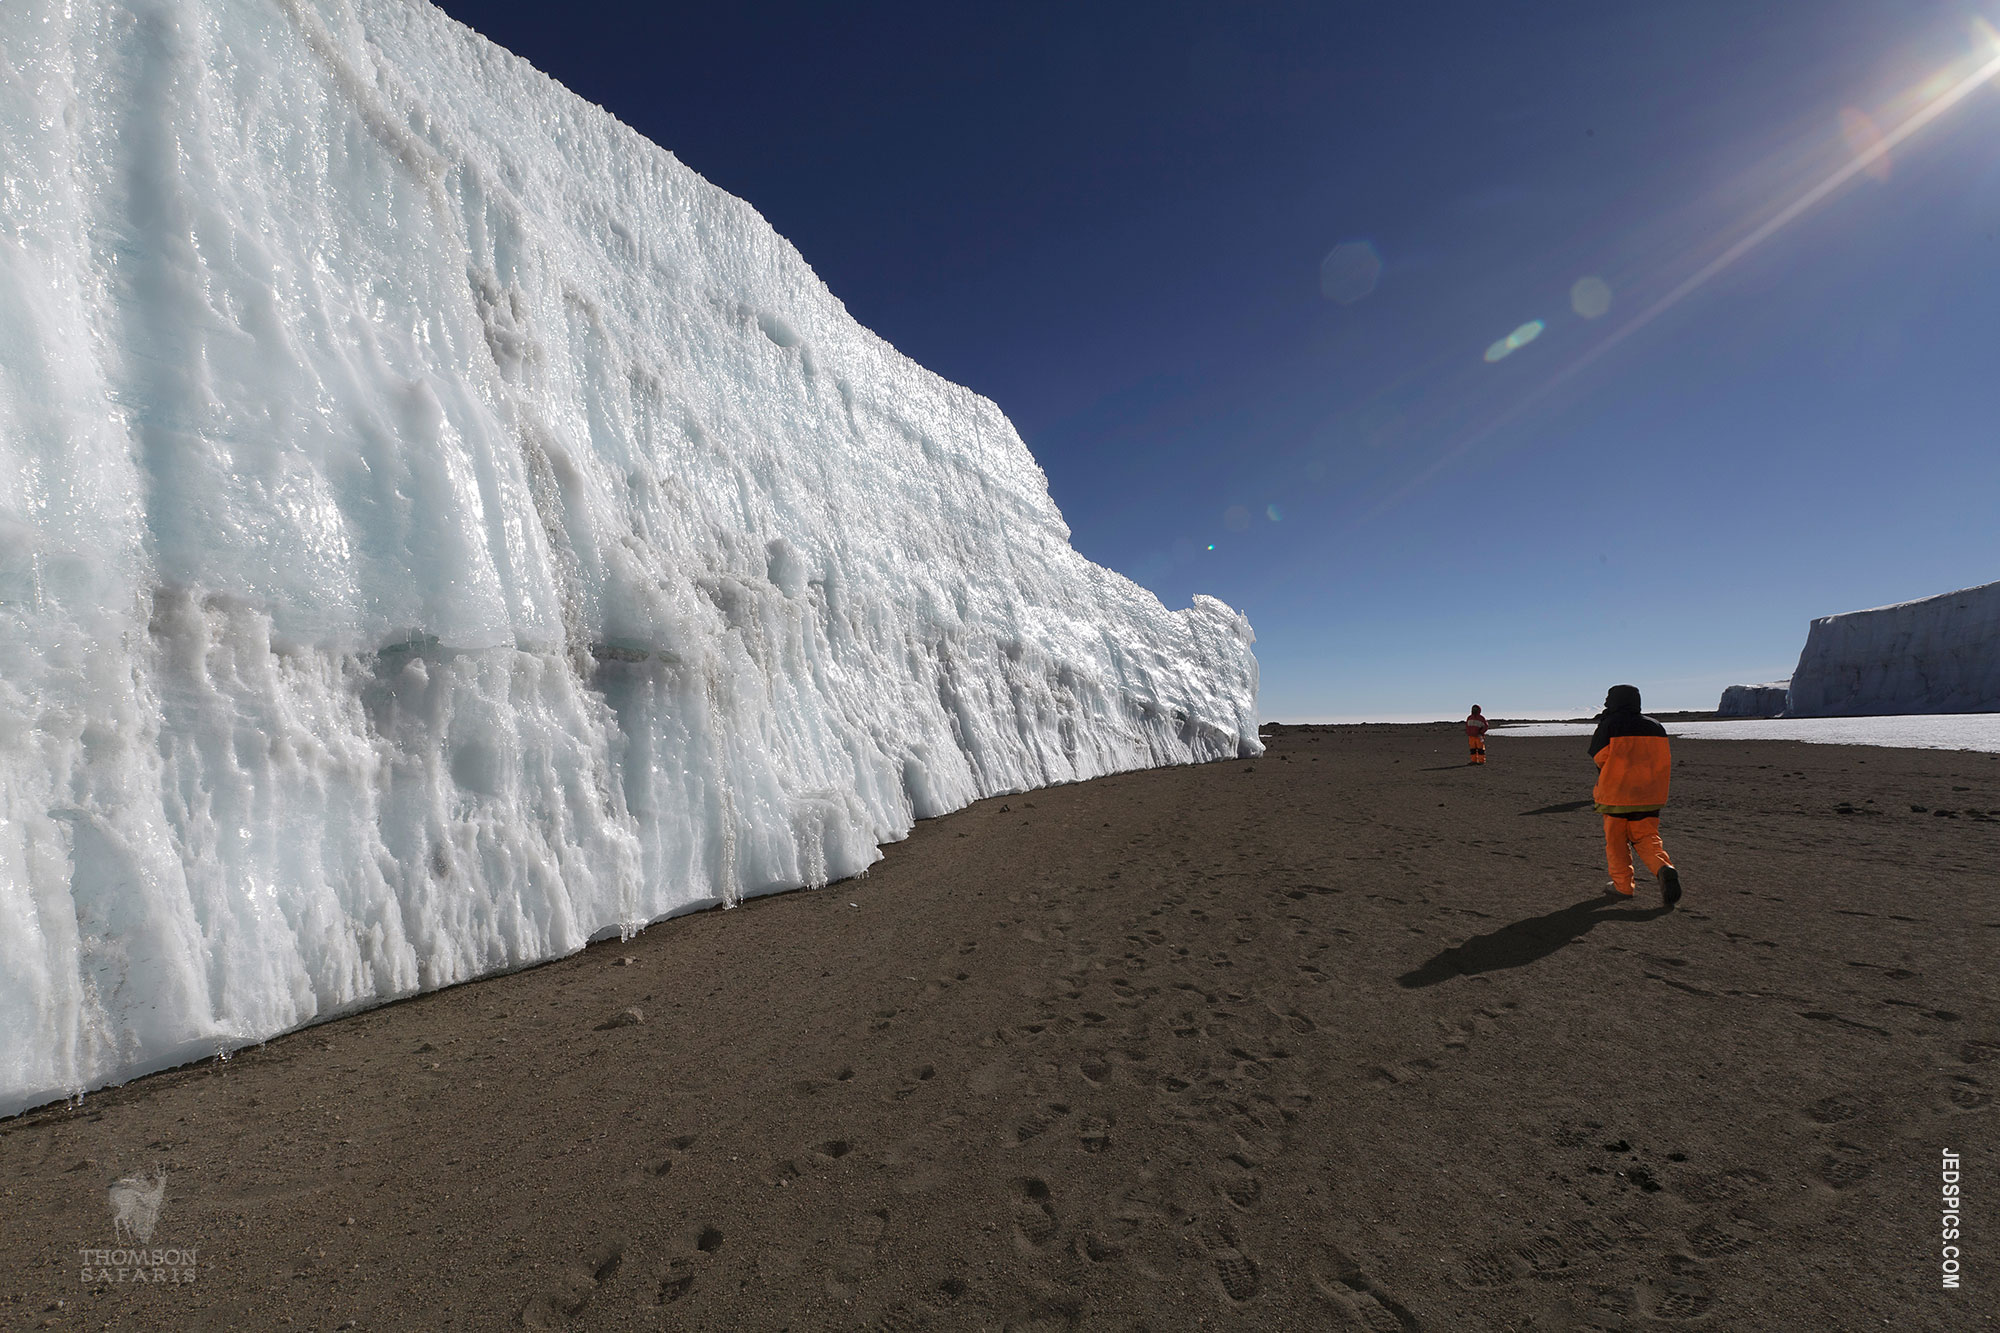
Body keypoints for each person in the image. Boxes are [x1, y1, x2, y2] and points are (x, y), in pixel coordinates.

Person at [1588, 684, 1681, 904]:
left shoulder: (1610, 725)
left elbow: (1599, 756)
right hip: (1650, 794)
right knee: (1647, 837)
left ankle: (1623, 887)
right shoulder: (1656, 726)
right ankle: (1663, 867)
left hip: (1616, 794)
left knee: (1617, 842)